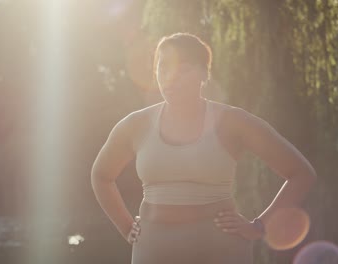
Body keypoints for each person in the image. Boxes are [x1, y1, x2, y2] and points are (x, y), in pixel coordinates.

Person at [91, 32, 316, 264]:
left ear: (204, 73)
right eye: (163, 67)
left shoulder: (233, 122)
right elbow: (101, 176)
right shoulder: (135, 125)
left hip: (221, 249)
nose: (170, 77)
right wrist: (126, 226)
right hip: (154, 249)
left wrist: (259, 226)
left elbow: (301, 173)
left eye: (184, 69)